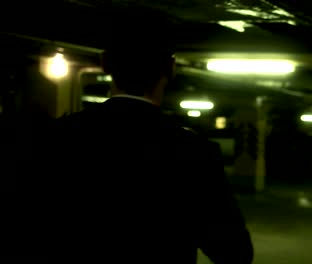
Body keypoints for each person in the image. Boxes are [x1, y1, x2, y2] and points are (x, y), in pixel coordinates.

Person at [10, 7, 253, 264]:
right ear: (170, 68)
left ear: (105, 63)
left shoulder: (56, 138)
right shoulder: (193, 151)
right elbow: (234, 252)